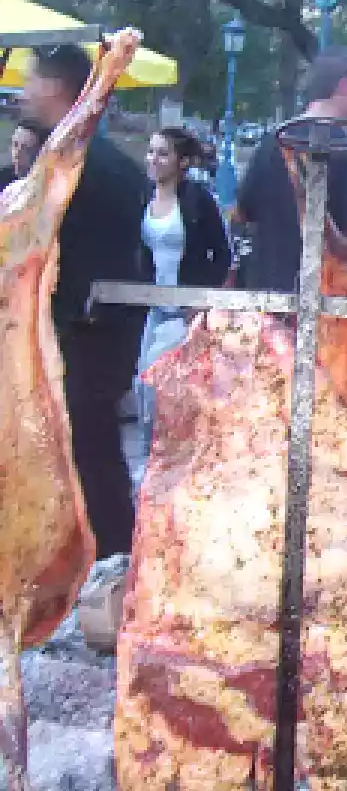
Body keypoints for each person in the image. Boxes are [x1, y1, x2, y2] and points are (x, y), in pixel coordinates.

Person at [22, 44, 150, 558]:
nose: (23, 92)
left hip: (88, 333)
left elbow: (93, 254)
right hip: (78, 329)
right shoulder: (70, 157)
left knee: (89, 449)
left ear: (55, 87)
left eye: (31, 80)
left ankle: (114, 560)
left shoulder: (87, 164)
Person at [235, 48, 347, 295]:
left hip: (267, 303)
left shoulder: (270, 144)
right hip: (326, 309)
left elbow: (243, 212)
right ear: (345, 85)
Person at [137, 127, 232, 450]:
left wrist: (201, 301)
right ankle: (153, 460)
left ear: (182, 162)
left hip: (184, 308)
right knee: (146, 385)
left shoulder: (198, 200)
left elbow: (223, 254)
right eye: (151, 151)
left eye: (163, 153)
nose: (153, 159)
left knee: (168, 387)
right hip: (152, 307)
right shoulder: (143, 195)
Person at [0, 116, 49, 186]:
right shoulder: (2, 178)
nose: (17, 153)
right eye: (15, 145)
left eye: (26, 147)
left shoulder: (50, 186)